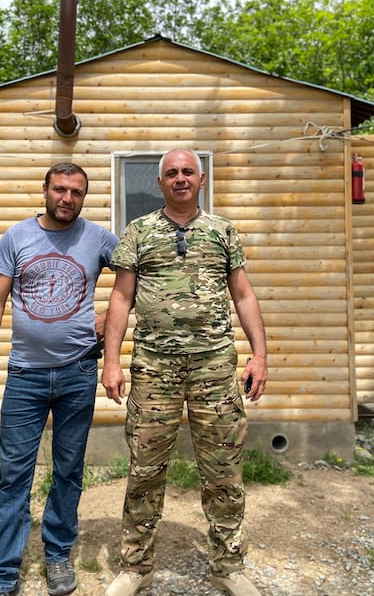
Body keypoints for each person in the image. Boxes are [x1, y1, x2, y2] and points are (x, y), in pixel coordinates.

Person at [101, 149, 268, 596]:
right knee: (145, 469)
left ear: (202, 179)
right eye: (171, 173)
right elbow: (121, 298)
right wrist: (112, 360)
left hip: (215, 367)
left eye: (187, 172)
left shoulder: (222, 232)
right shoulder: (138, 232)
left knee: (223, 468)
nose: (179, 178)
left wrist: (260, 354)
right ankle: (136, 566)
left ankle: (228, 567)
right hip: (154, 368)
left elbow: (244, 296)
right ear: (159, 183)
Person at [0, 162, 119, 596]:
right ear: (46, 190)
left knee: (68, 471)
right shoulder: (17, 237)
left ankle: (57, 557)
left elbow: (138, 279)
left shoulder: (99, 239)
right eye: (60, 190)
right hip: (25, 376)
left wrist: (110, 317)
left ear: (83, 197)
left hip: (77, 373)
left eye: (76, 192)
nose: (67, 198)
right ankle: (1, 575)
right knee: (15, 476)